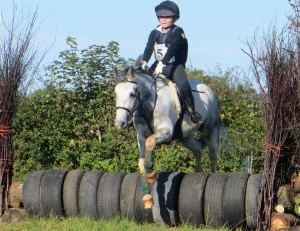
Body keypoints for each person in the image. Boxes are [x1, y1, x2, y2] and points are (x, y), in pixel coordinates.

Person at [140, 0, 202, 125]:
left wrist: (162, 64)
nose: (164, 19)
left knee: (183, 84)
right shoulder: (154, 32)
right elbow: (149, 47)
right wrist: (144, 61)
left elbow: (172, 50)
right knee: (142, 83)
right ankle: (137, 114)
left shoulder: (178, 32)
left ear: (174, 18)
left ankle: (192, 112)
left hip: (174, 66)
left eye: (167, 17)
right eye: (162, 17)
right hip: (158, 65)